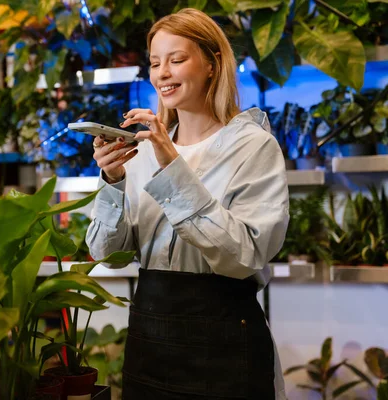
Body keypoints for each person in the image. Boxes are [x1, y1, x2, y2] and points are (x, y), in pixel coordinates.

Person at [86, 8, 289, 400]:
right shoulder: (142, 151)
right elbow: (106, 254)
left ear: (212, 64)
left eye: (177, 60)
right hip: (149, 336)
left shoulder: (253, 146)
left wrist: (172, 165)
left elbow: (243, 256)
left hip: (226, 337)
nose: (163, 72)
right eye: (155, 62)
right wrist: (112, 181)